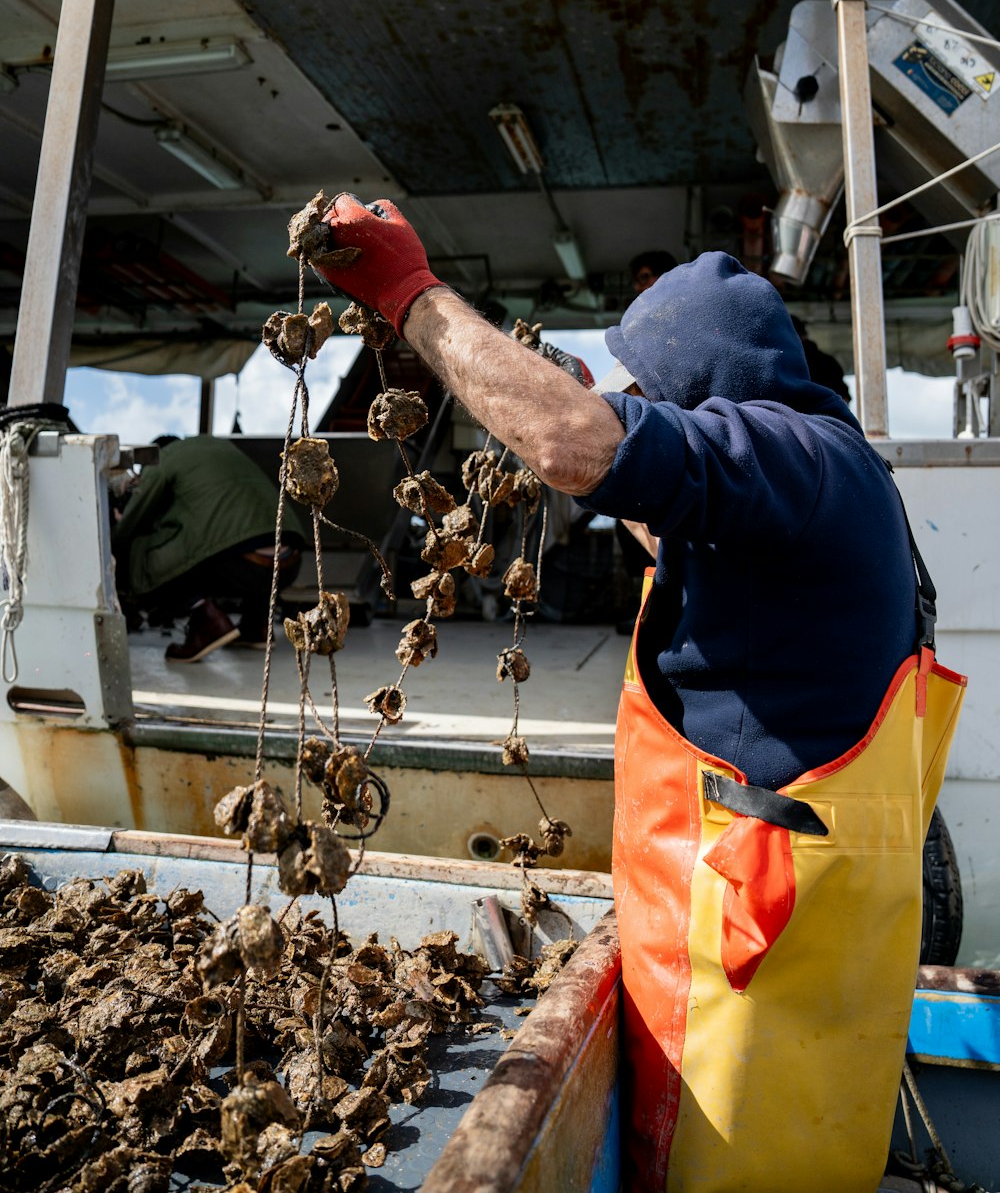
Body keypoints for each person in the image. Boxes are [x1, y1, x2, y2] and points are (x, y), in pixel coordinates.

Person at [307, 193, 965, 1193]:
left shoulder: (785, 452)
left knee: (738, 1169)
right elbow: (650, 501)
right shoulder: (815, 476)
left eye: (640, 385)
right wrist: (542, 401)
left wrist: (408, 292)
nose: (625, 399)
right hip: (782, 929)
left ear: (700, 383)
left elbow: (577, 447)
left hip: (751, 949)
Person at [113, 435, 306, 662]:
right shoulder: (219, 447)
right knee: (245, 537)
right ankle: (257, 626)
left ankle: (205, 618)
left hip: (240, 564)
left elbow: (133, 523)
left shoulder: (164, 457)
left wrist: (120, 522)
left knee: (137, 553)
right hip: (290, 561)